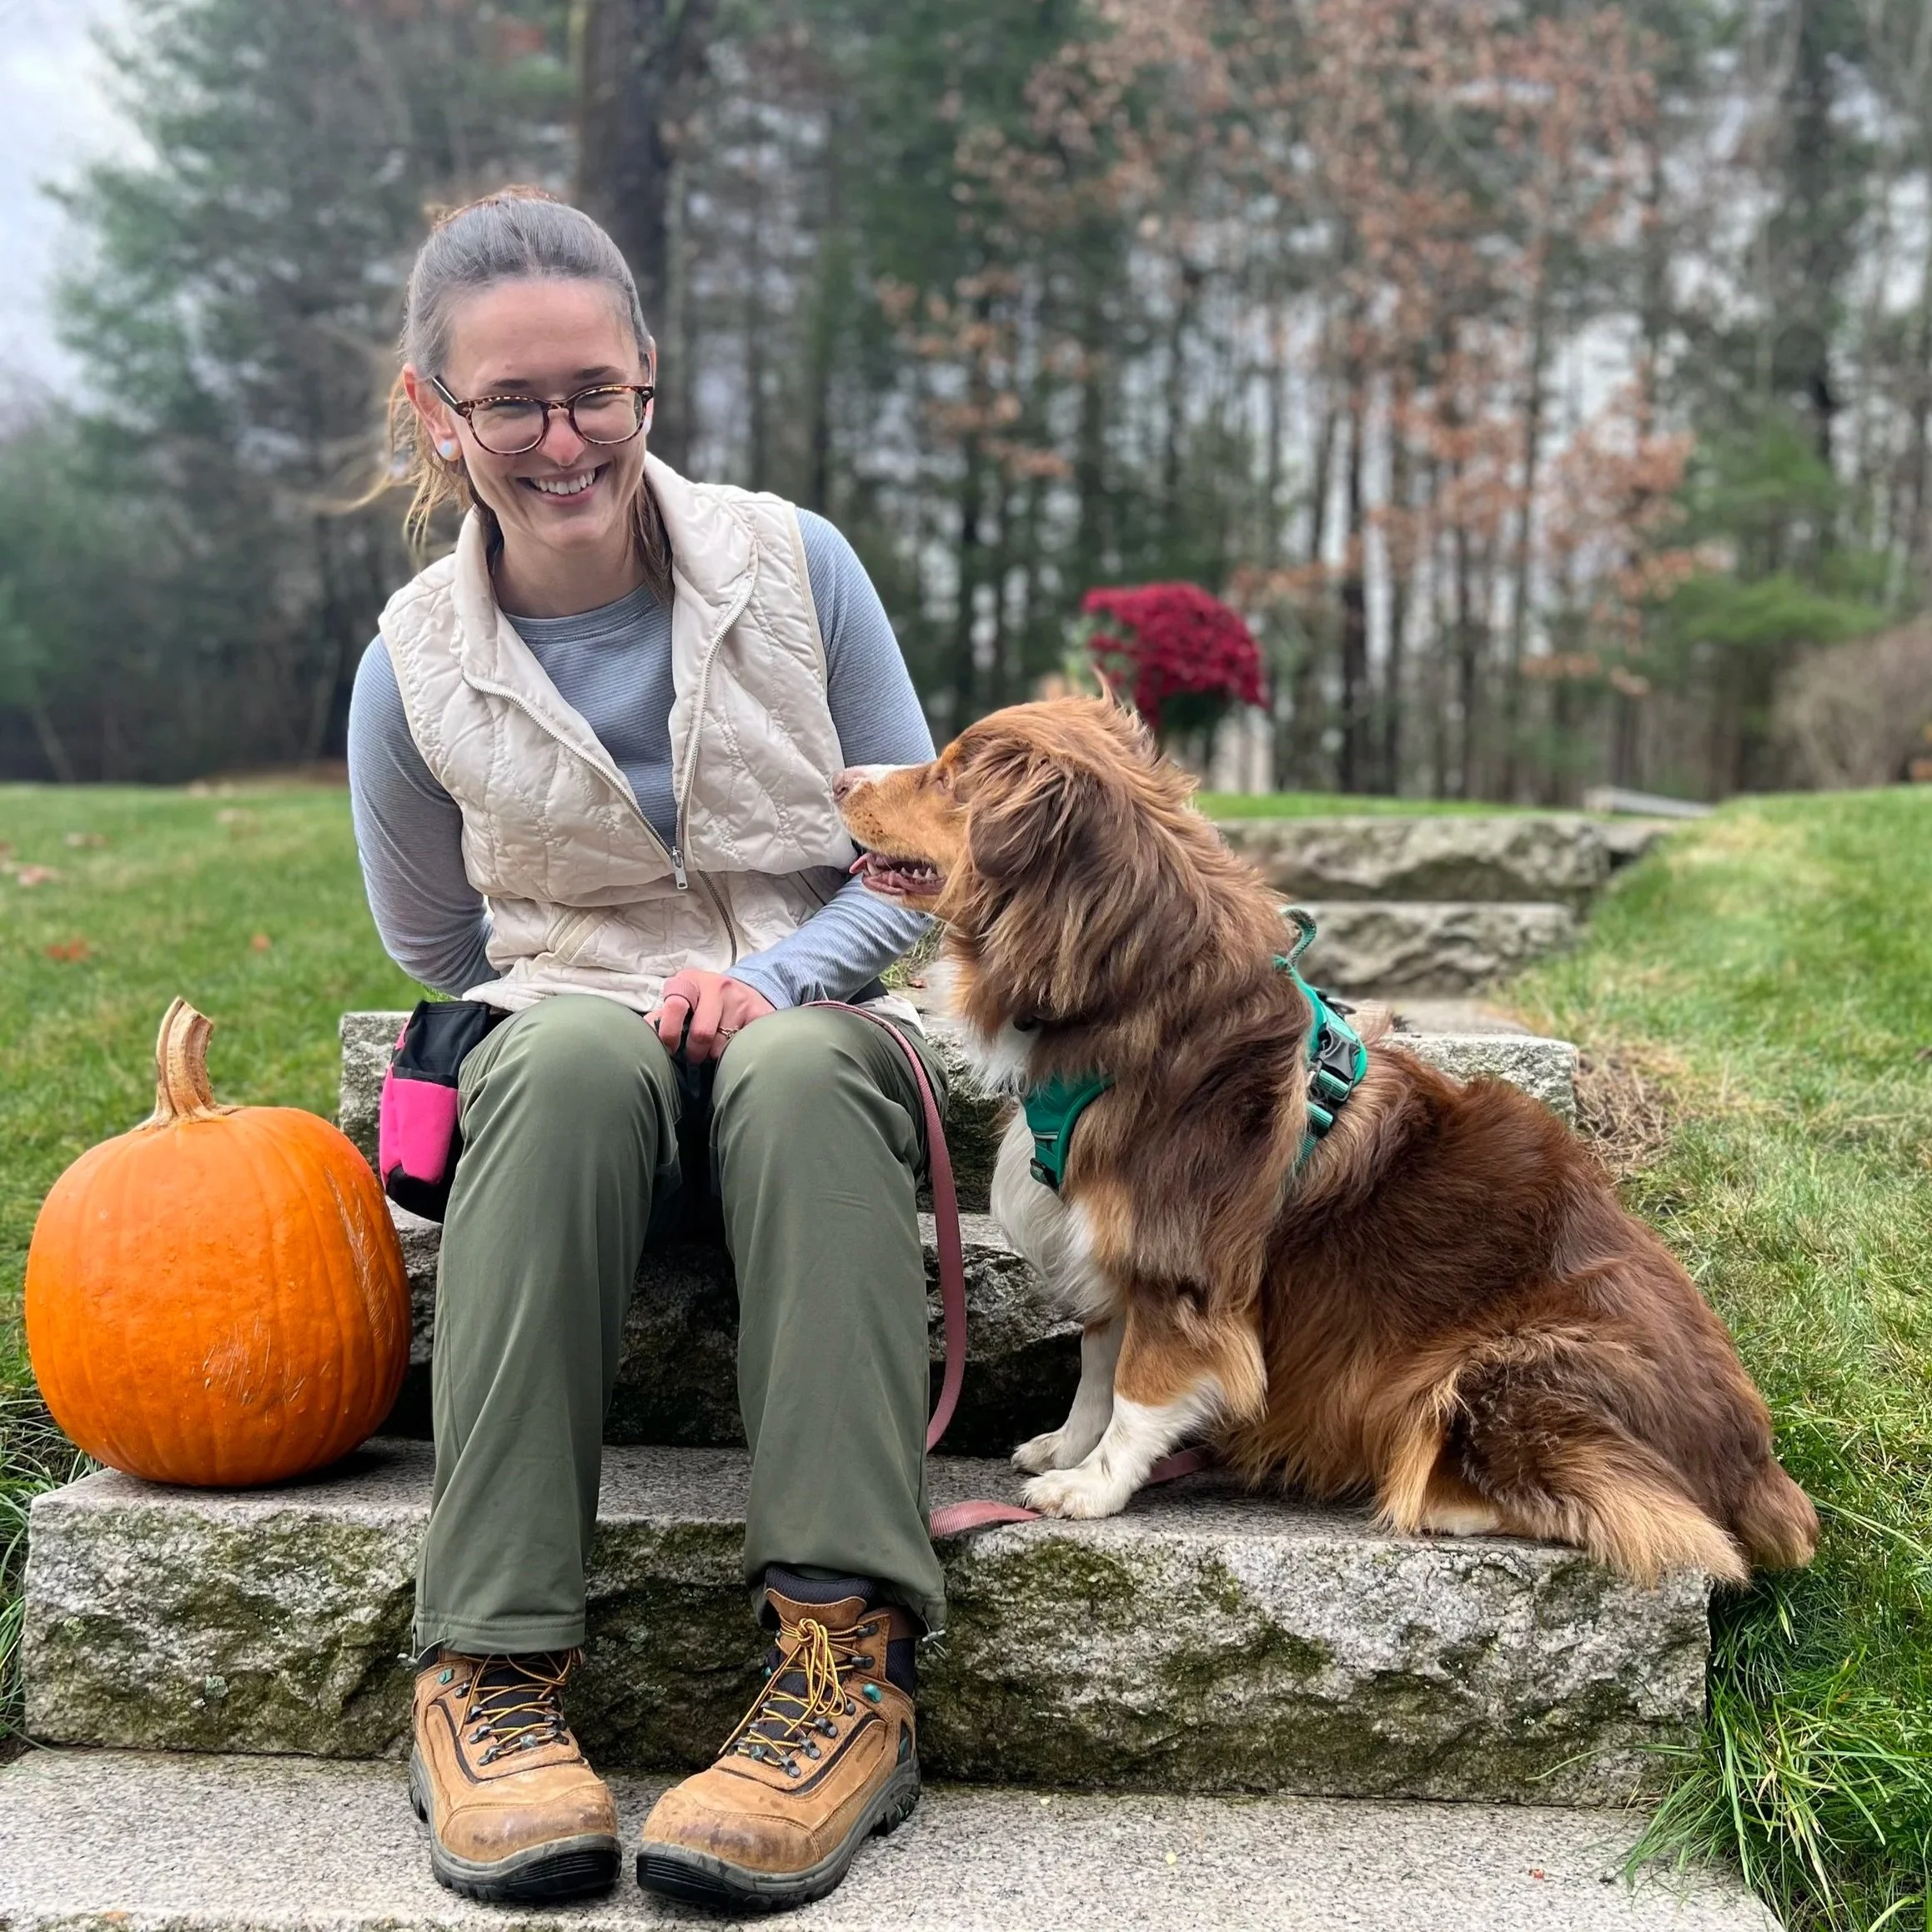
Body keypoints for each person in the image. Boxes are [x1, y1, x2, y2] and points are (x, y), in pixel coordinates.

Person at [346, 186, 945, 1913]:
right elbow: (438, 946)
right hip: (574, 1070)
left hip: (815, 1050)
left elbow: (917, 858)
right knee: (554, 1066)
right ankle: (488, 1669)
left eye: (596, 392)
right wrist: (608, 991)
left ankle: (843, 1665)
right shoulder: (410, 670)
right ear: (436, 412)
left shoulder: (795, 565)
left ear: (648, 376)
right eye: (513, 403)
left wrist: (781, 978)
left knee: (797, 1070)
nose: (563, 440)